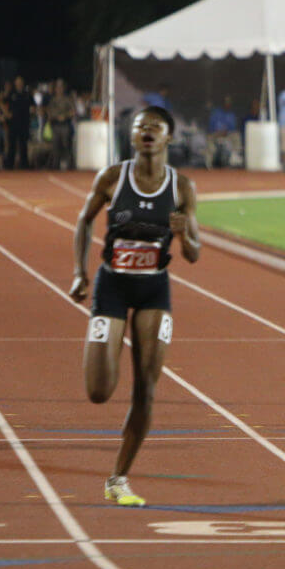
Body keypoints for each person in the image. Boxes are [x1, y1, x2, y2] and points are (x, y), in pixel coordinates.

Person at [68, 105, 200, 506]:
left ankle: (118, 478)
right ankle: (104, 359)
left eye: (155, 128)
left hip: (153, 290)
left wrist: (185, 236)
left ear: (168, 138)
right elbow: (84, 221)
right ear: (132, 135)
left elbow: (193, 254)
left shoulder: (182, 188)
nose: (147, 133)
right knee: (98, 390)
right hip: (112, 287)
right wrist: (80, 272)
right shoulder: (112, 177)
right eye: (141, 127)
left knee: (146, 388)